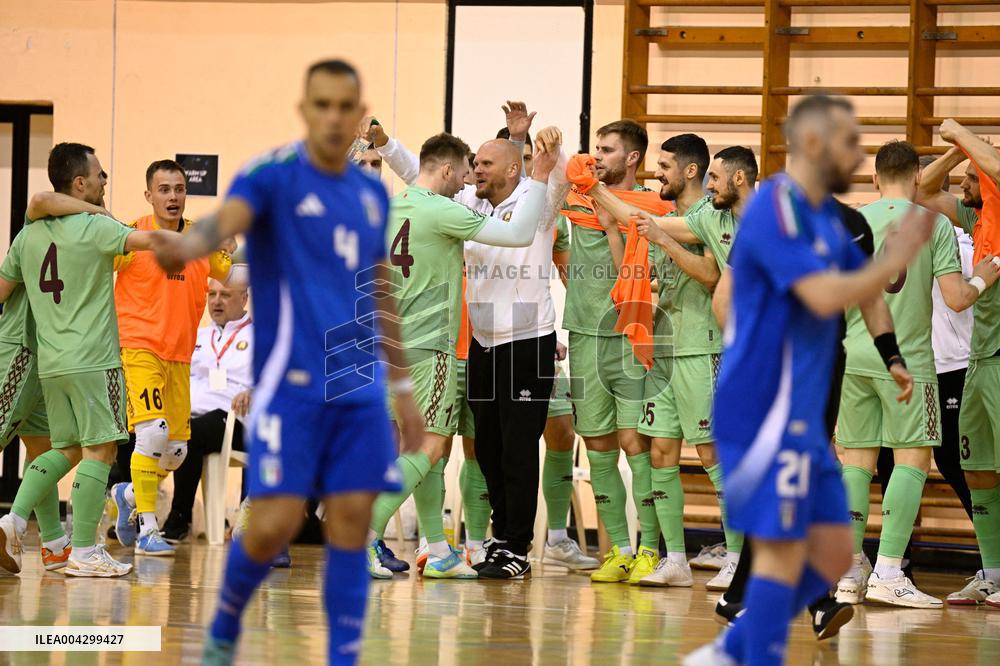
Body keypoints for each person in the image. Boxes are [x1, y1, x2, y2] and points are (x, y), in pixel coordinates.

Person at [152, 60, 425, 664]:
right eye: (321, 105)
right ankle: (223, 627)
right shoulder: (272, 178)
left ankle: (345, 655)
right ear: (305, 109)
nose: (333, 117)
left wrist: (402, 387)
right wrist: (186, 245)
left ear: (359, 117)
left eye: (344, 107)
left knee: (351, 524)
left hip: (357, 383)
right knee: (273, 525)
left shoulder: (369, 194)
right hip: (291, 386)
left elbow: (378, 288)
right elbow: (223, 226)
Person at [683, 95, 934, 665]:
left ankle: (757, 598)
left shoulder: (851, 226)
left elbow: (871, 297)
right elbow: (726, 296)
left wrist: (893, 357)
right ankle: (804, 597)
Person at [364, 127, 558, 580]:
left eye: (484, 165)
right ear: (453, 171)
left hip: (497, 340)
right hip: (436, 344)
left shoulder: (396, 206)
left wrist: (538, 163)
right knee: (437, 445)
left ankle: (450, 548)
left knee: (474, 447)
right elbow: (514, 229)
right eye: (470, 167)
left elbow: (425, 173)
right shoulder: (452, 209)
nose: (473, 175)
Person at [835, 140, 997, 609]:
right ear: (918, 178)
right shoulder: (933, 224)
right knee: (912, 460)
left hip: (852, 358)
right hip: (907, 362)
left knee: (857, 463)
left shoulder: (852, 223)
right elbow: (957, 298)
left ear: (874, 179)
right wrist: (986, 273)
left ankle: (849, 575)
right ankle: (888, 571)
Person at [0, 142, 170, 578]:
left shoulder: (29, 234)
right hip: (91, 359)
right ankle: (83, 549)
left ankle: (18, 523)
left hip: (50, 363)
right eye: (100, 175)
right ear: (79, 183)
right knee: (100, 450)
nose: (104, 181)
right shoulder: (96, 228)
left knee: (64, 449)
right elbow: (149, 239)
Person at [631, 137, 756, 590]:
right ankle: (676, 559)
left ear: (691, 170)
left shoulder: (720, 218)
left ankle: (739, 555)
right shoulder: (691, 216)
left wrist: (661, 236)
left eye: (663, 165)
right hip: (665, 349)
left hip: (704, 348)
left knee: (712, 453)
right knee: (660, 450)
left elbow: (709, 276)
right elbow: (639, 222)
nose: (656, 172)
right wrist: (585, 187)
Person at [105, 159, 233, 557]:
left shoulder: (198, 238)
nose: (173, 196)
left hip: (179, 357)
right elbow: (94, 261)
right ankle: (148, 528)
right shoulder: (132, 235)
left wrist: (229, 247)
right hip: (139, 348)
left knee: (176, 451)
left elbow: (227, 272)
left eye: (179, 189)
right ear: (149, 195)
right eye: (164, 189)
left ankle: (128, 493)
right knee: (152, 434)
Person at [560, 120, 669, 584]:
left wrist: (614, 230)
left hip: (630, 336)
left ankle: (648, 549)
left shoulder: (651, 207)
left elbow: (656, 271)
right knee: (598, 444)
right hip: (583, 336)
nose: (597, 157)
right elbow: (546, 233)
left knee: (634, 442)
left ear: (632, 159)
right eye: (595, 149)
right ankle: (619, 550)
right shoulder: (575, 199)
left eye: (607, 150)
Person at [917, 119, 1000, 607]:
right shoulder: (974, 220)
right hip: (979, 361)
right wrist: (954, 150)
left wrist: (964, 134)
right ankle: (992, 573)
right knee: (978, 470)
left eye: (972, 178)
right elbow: (923, 189)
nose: (963, 186)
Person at [161, 276, 253, 543]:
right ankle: (133, 507)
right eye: (211, 294)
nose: (216, 301)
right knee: (146, 428)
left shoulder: (260, 336)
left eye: (225, 295)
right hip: (193, 418)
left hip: (239, 423)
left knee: (190, 431)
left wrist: (254, 391)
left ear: (244, 299)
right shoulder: (198, 336)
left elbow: (276, 380)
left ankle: (180, 517)